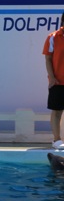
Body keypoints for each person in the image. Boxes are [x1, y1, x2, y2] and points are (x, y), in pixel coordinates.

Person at [43, 12, 64, 150]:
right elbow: (48, 59)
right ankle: (57, 140)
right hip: (58, 82)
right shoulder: (53, 37)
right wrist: (52, 77)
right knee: (57, 111)